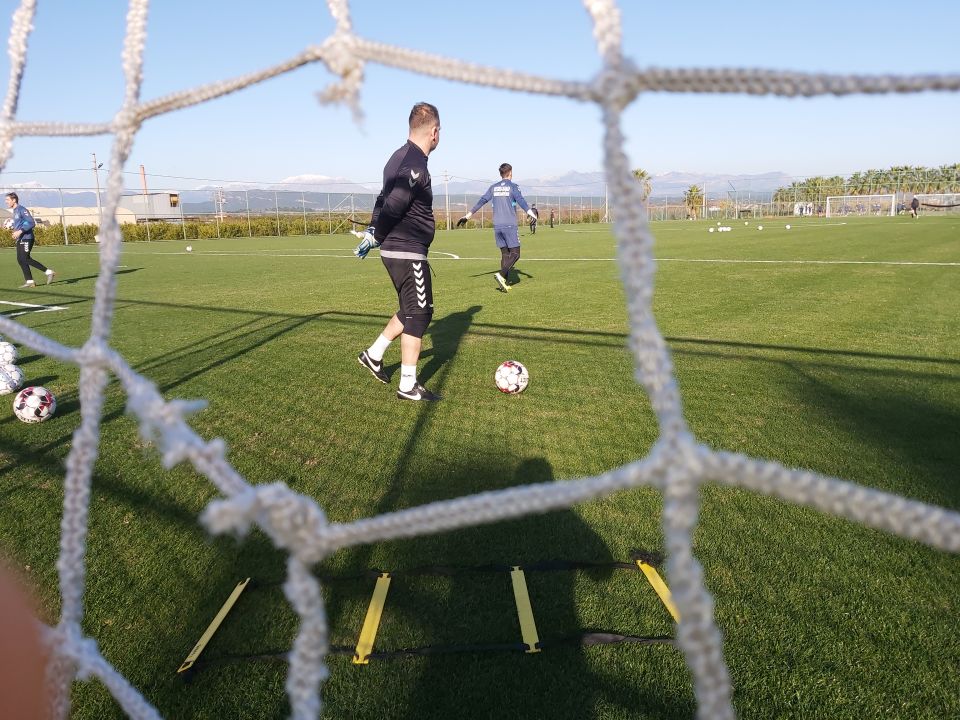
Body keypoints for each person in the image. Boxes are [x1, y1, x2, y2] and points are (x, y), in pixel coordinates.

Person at [354, 102, 442, 402]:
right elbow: (394, 202)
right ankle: (408, 385)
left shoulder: (397, 157)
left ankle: (373, 355)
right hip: (407, 250)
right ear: (434, 131)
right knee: (420, 314)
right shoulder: (415, 164)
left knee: (408, 309)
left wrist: (372, 229)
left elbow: (382, 199)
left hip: (398, 249)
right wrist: (376, 235)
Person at [456, 163, 537, 292]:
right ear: (510, 173)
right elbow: (520, 200)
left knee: (505, 254)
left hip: (497, 226)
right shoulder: (513, 186)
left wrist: (468, 215)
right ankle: (501, 274)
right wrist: (531, 212)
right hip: (509, 225)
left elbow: (482, 200)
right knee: (515, 254)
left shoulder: (493, 187)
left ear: (501, 174)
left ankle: (503, 283)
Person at [6, 192, 54, 288]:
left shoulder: (22, 209)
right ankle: (30, 281)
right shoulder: (15, 211)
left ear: (14, 200)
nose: (6, 202)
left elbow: (31, 222)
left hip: (27, 238)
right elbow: (21, 224)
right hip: (20, 238)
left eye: (7, 200)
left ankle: (49, 272)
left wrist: (20, 231)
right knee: (20, 260)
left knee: (25, 258)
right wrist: (15, 231)